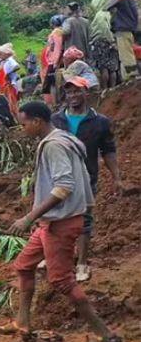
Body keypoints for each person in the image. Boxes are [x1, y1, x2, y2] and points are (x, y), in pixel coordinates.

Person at [5, 101, 121, 342]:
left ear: (37, 122)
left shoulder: (55, 146)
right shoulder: (61, 138)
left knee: (61, 281)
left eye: (24, 123)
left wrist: (28, 217)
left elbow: (63, 187)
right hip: (54, 221)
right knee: (24, 266)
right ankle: (22, 323)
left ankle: (106, 336)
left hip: (61, 222)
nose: (22, 128)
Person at [50, 77, 121, 282]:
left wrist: (117, 177)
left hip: (86, 178)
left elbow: (108, 151)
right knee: (56, 217)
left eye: (77, 91)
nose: (73, 96)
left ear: (86, 93)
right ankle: (59, 258)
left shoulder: (100, 122)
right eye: (70, 92)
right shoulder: (56, 120)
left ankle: (81, 263)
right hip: (59, 177)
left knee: (84, 219)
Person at [104, 0, 138, 80]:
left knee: (126, 54)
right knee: (125, 53)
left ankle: (132, 76)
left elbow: (107, 6)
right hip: (131, 28)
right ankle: (126, 79)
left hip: (122, 28)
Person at [89, 0, 122, 89]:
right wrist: (113, 41)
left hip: (102, 43)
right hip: (113, 42)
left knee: (104, 68)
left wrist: (110, 41)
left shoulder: (100, 14)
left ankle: (105, 89)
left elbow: (104, 30)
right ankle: (113, 88)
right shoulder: (111, 13)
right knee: (112, 68)